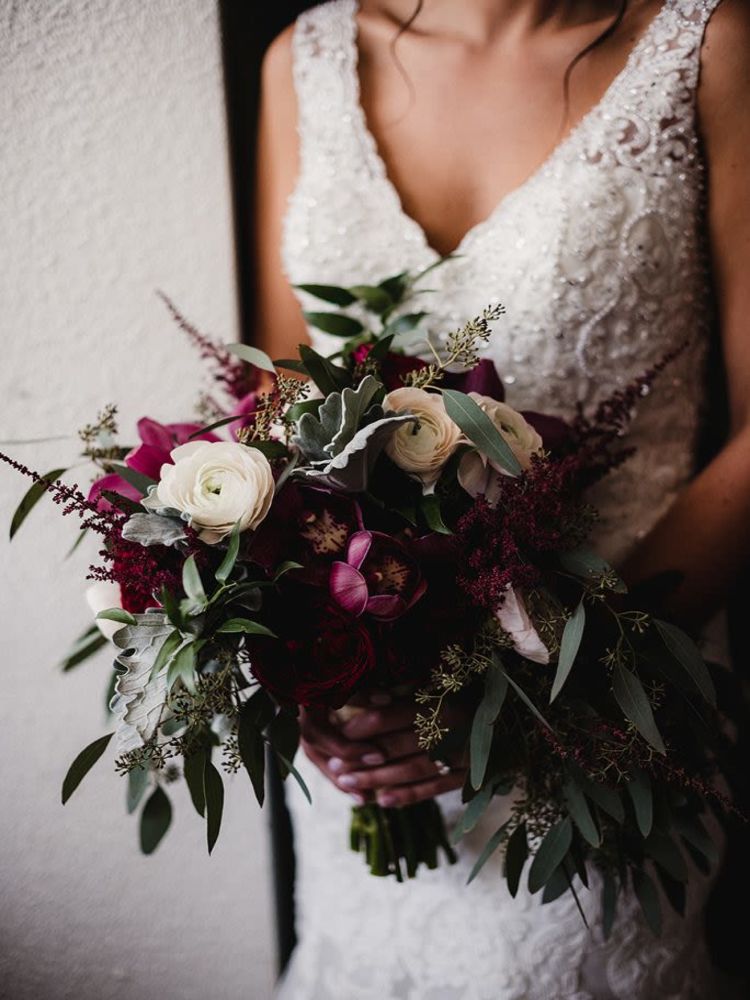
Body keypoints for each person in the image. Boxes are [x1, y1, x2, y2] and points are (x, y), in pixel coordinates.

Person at [253, 1, 749, 996]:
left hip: (607, 707)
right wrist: (298, 651)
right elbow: (283, 410)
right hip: (376, 732)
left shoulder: (707, 47)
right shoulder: (305, 60)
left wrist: (542, 687)